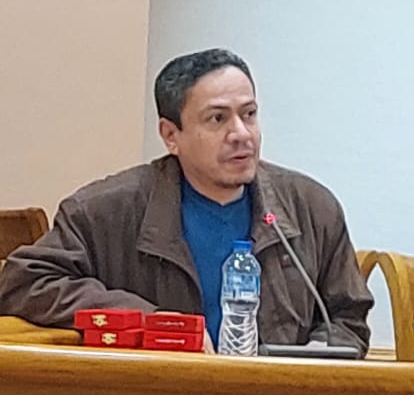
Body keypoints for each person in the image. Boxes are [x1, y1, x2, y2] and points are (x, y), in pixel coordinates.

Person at [0, 48, 372, 352]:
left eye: (249, 114)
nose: (241, 134)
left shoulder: (311, 207)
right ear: (170, 135)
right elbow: (22, 283)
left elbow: (347, 319)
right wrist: (149, 322)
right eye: (217, 119)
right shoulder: (105, 211)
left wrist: (313, 360)